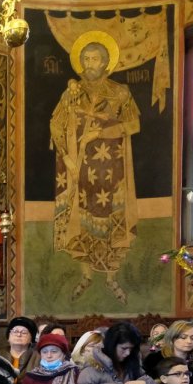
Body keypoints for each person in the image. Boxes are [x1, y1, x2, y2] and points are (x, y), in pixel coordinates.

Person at [50, 40, 140, 303]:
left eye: (95, 59)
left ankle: (112, 278)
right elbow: (55, 124)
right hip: (78, 168)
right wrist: (66, 155)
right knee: (81, 222)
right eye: (86, 59)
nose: (90, 64)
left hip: (111, 169)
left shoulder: (120, 93)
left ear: (105, 63)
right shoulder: (71, 93)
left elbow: (133, 124)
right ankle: (86, 274)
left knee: (112, 221)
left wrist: (102, 132)